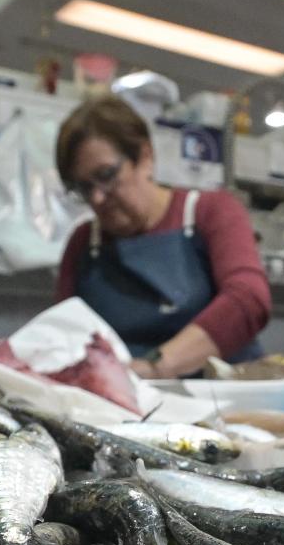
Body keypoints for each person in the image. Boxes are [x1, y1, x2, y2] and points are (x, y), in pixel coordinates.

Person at [54, 96, 270, 378]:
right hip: (125, 405)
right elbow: (61, 334)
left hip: (224, 398)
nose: (97, 197)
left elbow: (249, 299)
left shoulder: (210, 212)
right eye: (83, 187)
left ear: (145, 157)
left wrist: (155, 367)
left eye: (106, 175)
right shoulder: (83, 243)